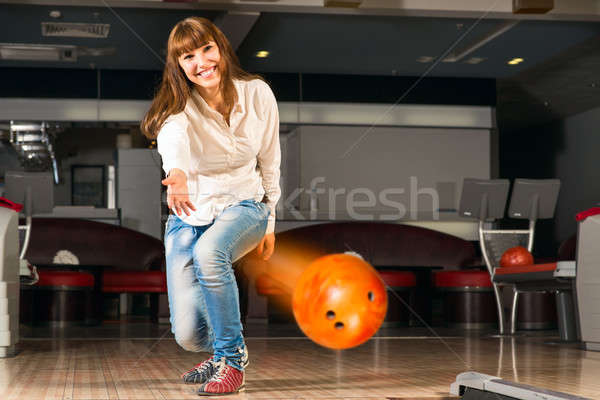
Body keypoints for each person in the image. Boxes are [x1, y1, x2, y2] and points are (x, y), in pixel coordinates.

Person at [141, 16, 280, 396]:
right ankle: (221, 352)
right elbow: (174, 140)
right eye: (188, 56)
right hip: (190, 215)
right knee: (187, 334)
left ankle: (231, 361)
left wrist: (270, 224)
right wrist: (179, 175)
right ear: (179, 65)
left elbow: (270, 160)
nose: (201, 62)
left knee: (210, 252)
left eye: (207, 49)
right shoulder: (179, 110)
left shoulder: (257, 94)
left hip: (245, 206)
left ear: (221, 49)